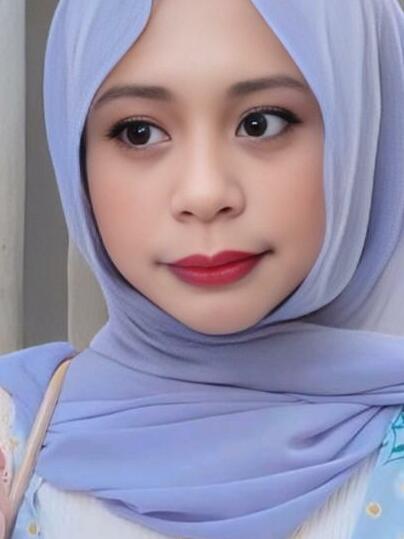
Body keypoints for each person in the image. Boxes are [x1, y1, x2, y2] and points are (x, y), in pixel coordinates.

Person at [0, 0, 404, 538]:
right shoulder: (14, 435)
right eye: (139, 132)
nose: (204, 193)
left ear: (367, 128)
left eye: (261, 124)